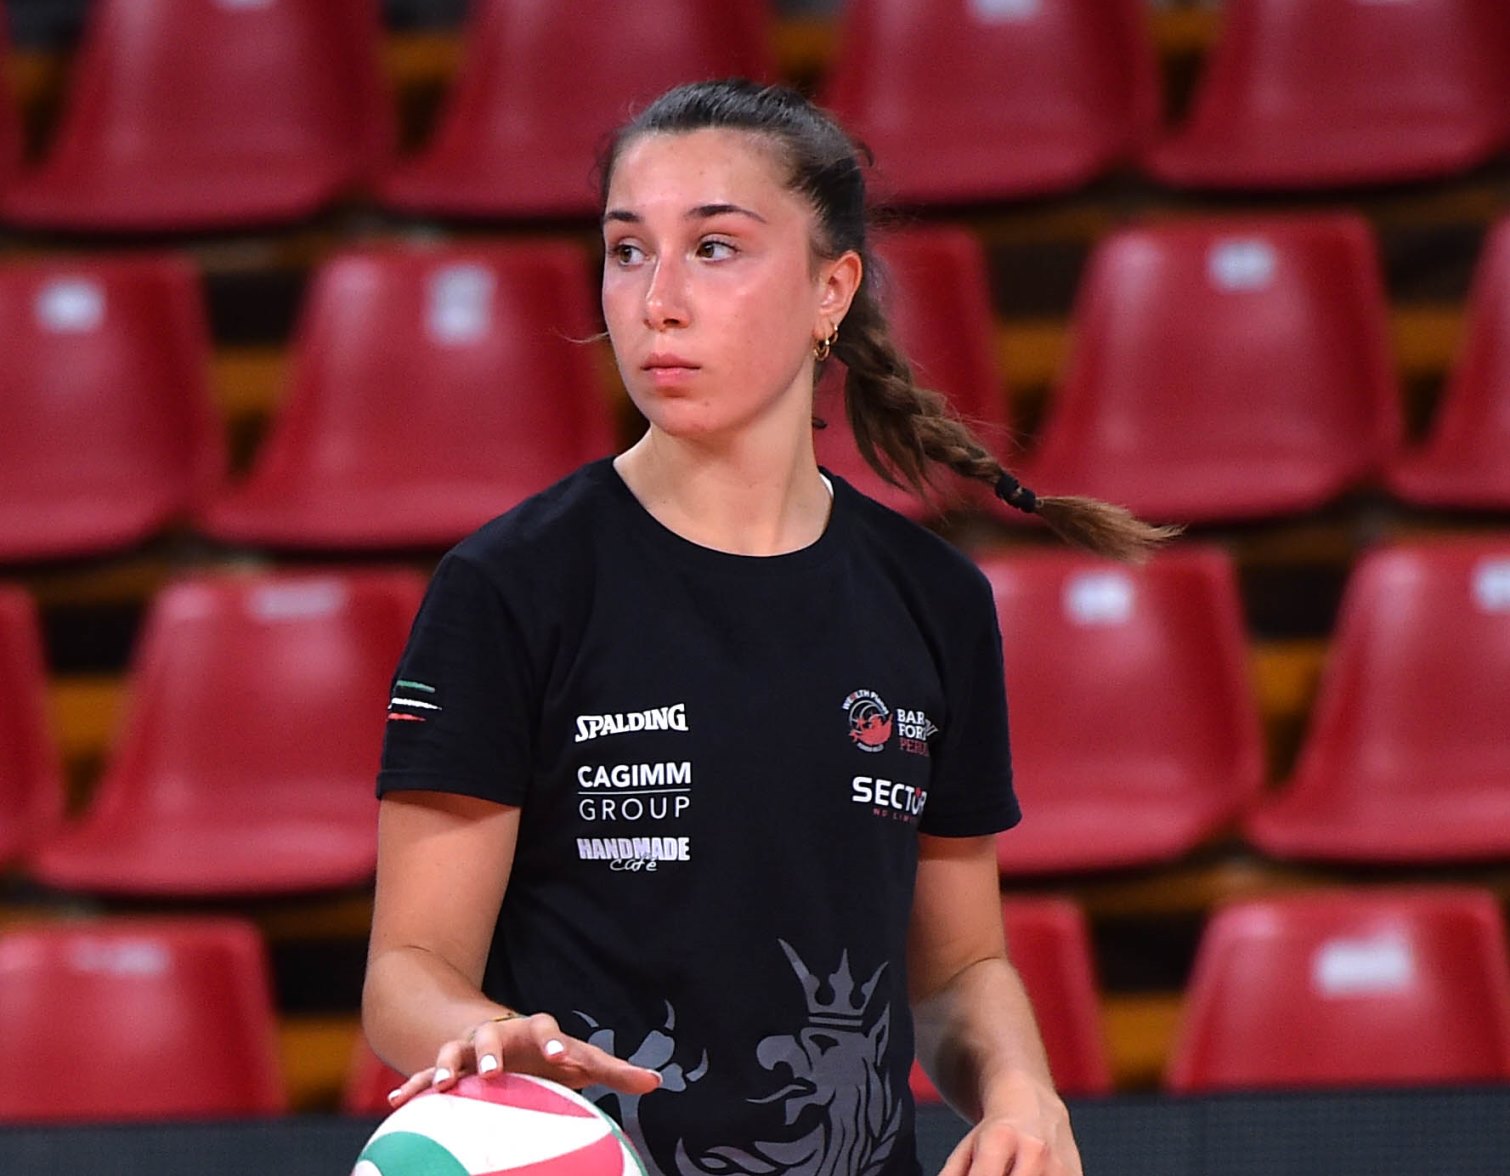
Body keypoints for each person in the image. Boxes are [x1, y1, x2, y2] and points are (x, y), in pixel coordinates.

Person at [363, 78, 1175, 1176]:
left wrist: (1022, 1091)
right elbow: (407, 970)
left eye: (714, 249)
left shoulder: (932, 599)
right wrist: (481, 1031)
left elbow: (956, 969)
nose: (657, 301)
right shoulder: (508, 586)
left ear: (831, 288)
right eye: (626, 251)